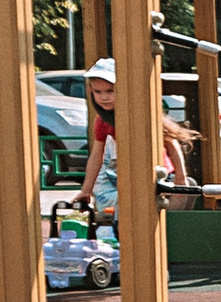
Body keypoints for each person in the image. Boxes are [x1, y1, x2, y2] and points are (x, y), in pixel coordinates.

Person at [79, 56, 191, 218]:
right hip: (131, 175)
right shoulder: (103, 120)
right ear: (91, 91)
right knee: (126, 208)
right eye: (98, 92)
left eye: (110, 91)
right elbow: (97, 155)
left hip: (158, 173)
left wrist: (180, 176)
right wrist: (86, 190)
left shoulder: (140, 113)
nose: (103, 97)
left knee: (170, 202)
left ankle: (167, 226)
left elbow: (171, 143)